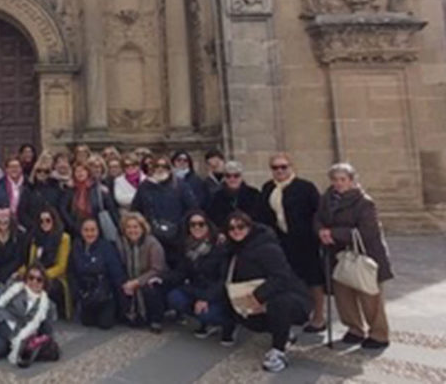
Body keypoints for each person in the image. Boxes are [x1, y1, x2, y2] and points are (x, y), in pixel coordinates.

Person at [315, 162, 393, 350]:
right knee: (344, 296)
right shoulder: (327, 198)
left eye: (343, 179)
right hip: (338, 255)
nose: (339, 183)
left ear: (351, 180)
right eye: (335, 180)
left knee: (369, 297)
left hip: (365, 256)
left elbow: (367, 231)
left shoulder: (364, 202)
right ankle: (354, 329)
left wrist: (333, 233)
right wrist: (320, 231)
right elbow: (318, 217)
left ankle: (379, 334)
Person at [224, 211, 312, 373]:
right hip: (258, 295)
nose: (236, 231)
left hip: (291, 297)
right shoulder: (235, 249)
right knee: (242, 314)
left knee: (279, 305)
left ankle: (278, 351)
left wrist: (258, 296)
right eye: (231, 228)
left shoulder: (266, 247)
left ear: (249, 227)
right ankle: (283, 332)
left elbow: (282, 277)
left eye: (240, 226)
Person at [260, 152, 326, 331]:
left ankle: (319, 316)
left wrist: (320, 232)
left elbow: (318, 212)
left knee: (313, 278)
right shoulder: (268, 188)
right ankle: (298, 312)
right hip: (281, 242)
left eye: (283, 167)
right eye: (275, 167)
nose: (280, 170)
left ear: (291, 167)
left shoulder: (305, 187)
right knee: (289, 279)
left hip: (306, 240)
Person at [165, 210, 233, 342]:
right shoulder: (187, 246)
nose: (197, 227)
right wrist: (160, 277)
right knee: (174, 297)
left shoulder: (219, 246)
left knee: (207, 313)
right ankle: (203, 319)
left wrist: (206, 298)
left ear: (208, 225)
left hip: (217, 292)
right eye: (193, 224)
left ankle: (227, 324)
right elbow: (181, 272)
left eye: (201, 224)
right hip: (197, 288)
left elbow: (223, 279)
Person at [130, 156, 196, 256]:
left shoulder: (181, 186)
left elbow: (192, 209)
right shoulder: (144, 187)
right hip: (152, 235)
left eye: (164, 166)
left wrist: (181, 227)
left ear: (169, 169)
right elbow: (135, 210)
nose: (160, 169)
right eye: (157, 166)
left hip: (177, 236)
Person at [70, 217, 126, 329]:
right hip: (86, 293)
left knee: (105, 324)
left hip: (104, 294)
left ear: (98, 231)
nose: (89, 234)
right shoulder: (76, 246)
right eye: (86, 230)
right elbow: (72, 271)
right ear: (81, 231)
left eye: (93, 230)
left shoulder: (107, 247)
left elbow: (116, 273)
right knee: (87, 322)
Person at [25, 206, 72, 319]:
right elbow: (31, 261)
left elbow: (61, 267)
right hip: (36, 274)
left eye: (48, 220)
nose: (44, 223)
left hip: (55, 277)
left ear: (54, 220)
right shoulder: (35, 238)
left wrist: (41, 276)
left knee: (45, 285)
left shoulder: (64, 238)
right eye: (41, 221)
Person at [61, 161, 118, 238]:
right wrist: (71, 224)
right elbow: (63, 208)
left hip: (97, 225)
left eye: (83, 170)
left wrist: (118, 224)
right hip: (76, 226)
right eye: (77, 171)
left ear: (88, 172)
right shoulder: (69, 189)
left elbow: (111, 208)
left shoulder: (98, 188)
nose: (80, 173)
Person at [207, 160, 266, 228]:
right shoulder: (217, 197)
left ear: (241, 177)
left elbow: (260, 218)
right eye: (228, 176)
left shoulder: (254, 195)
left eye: (236, 176)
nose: (232, 179)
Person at [3, 156, 30, 229]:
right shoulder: (0, 185)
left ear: (21, 169)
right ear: (6, 169)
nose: (14, 169)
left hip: (25, 223)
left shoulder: (29, 184)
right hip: (4, 222)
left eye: (17, 167)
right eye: (11, 167)